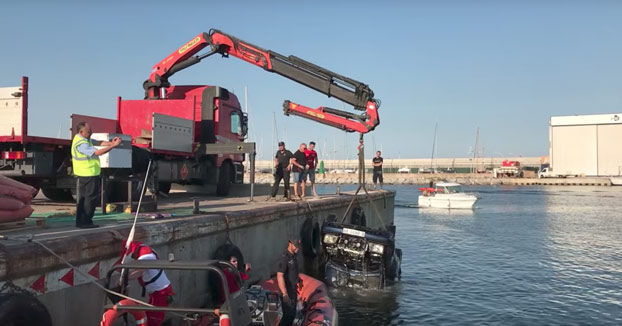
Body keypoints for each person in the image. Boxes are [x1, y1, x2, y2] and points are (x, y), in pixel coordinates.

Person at [71, 122, 121, 228]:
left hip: (84, 173)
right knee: (90, 199)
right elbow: (98, 153)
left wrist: (110, 142)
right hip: (88, 173)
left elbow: (98, 142)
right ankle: (86, 221)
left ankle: (80, 221)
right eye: (89, 132)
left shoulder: (82, 138)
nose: (91, 133)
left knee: (83, 199)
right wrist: (113, 146)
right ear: (81, 132)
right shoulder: (82, 144)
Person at [123, 241, 175, 326]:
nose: (133, 258)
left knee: (153, 320)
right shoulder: (144, 248)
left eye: (132, 255)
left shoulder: (146, 257)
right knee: (150, 316)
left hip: (161, 292)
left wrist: (124, 278)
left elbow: (139, 271)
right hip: (160, 291)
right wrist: (120, 237)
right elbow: (130, 241)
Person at [276, 239, 300, 326]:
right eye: (296, 246)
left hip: (293, 289)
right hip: (287, 290)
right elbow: (280, 276)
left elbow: (293, 271)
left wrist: (298, 280)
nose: (298, 248)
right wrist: (285, 294)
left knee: (292, 314)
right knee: (288, 316)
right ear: (290, 244)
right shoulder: (284, 258)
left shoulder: (294, 256)